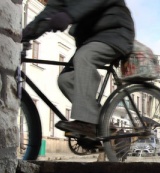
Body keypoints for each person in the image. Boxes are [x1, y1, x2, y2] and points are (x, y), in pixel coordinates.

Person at [22, 0, 135, 138]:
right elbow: (48, 12)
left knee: (84, 57)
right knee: (66, 79)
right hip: (91, 39)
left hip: (116, 32)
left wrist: (69, 15)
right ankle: (101, 123)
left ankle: (87, 121)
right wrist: (27, 33)